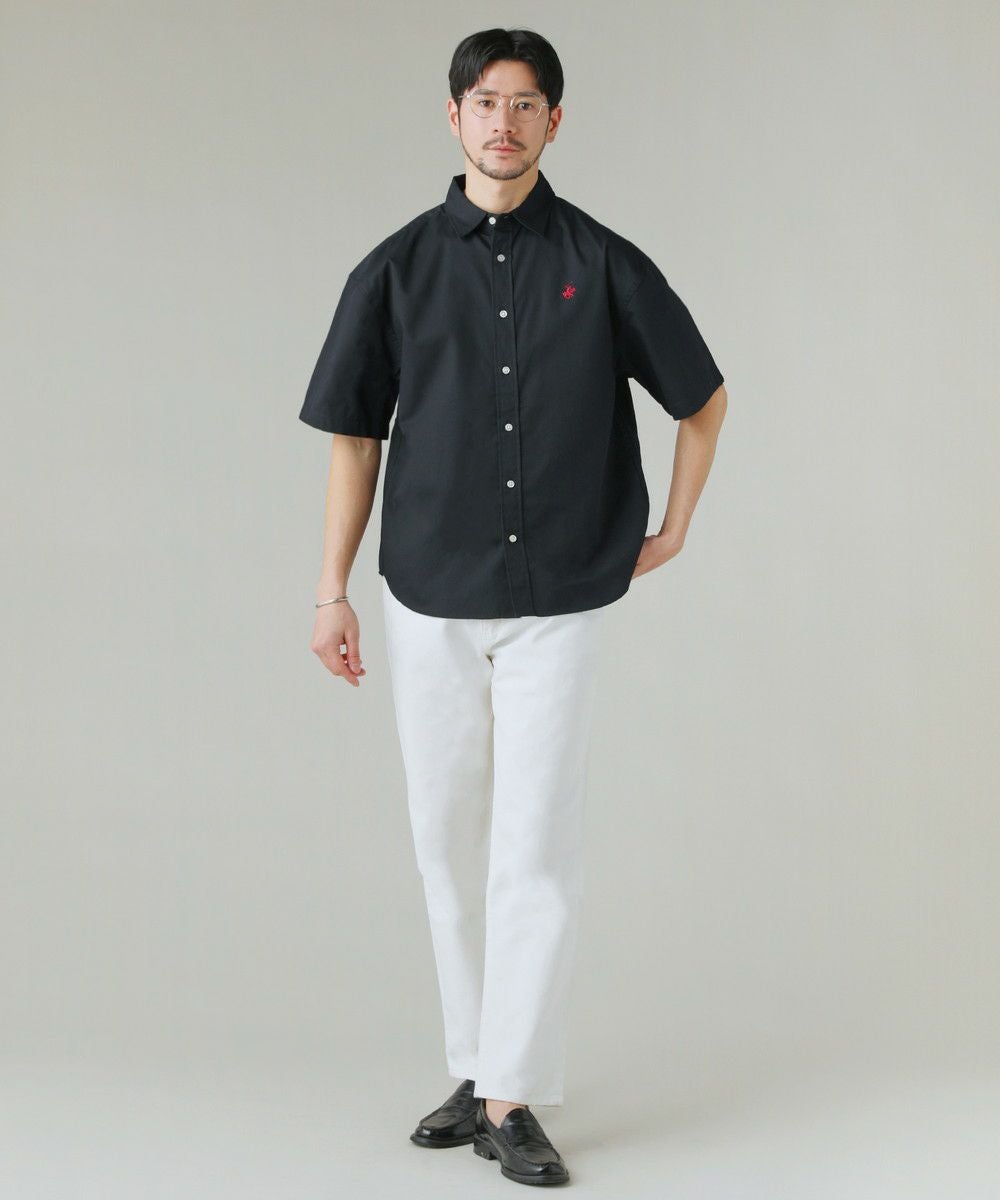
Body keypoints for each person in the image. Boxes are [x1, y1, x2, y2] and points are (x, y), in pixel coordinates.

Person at [299, 27, 727, 1187]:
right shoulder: (393, 270)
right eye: (485, 102)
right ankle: (474, 1062)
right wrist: (331, 590)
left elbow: (702, 397)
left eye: (526, 103)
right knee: (444, 842)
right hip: (427, 593)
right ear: (453, 117)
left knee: (533, 846)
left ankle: (510, 1096)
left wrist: (675, 526)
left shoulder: (604, 262)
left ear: (554, 122)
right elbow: (354, 439)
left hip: (559, 598)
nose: (504, 122)